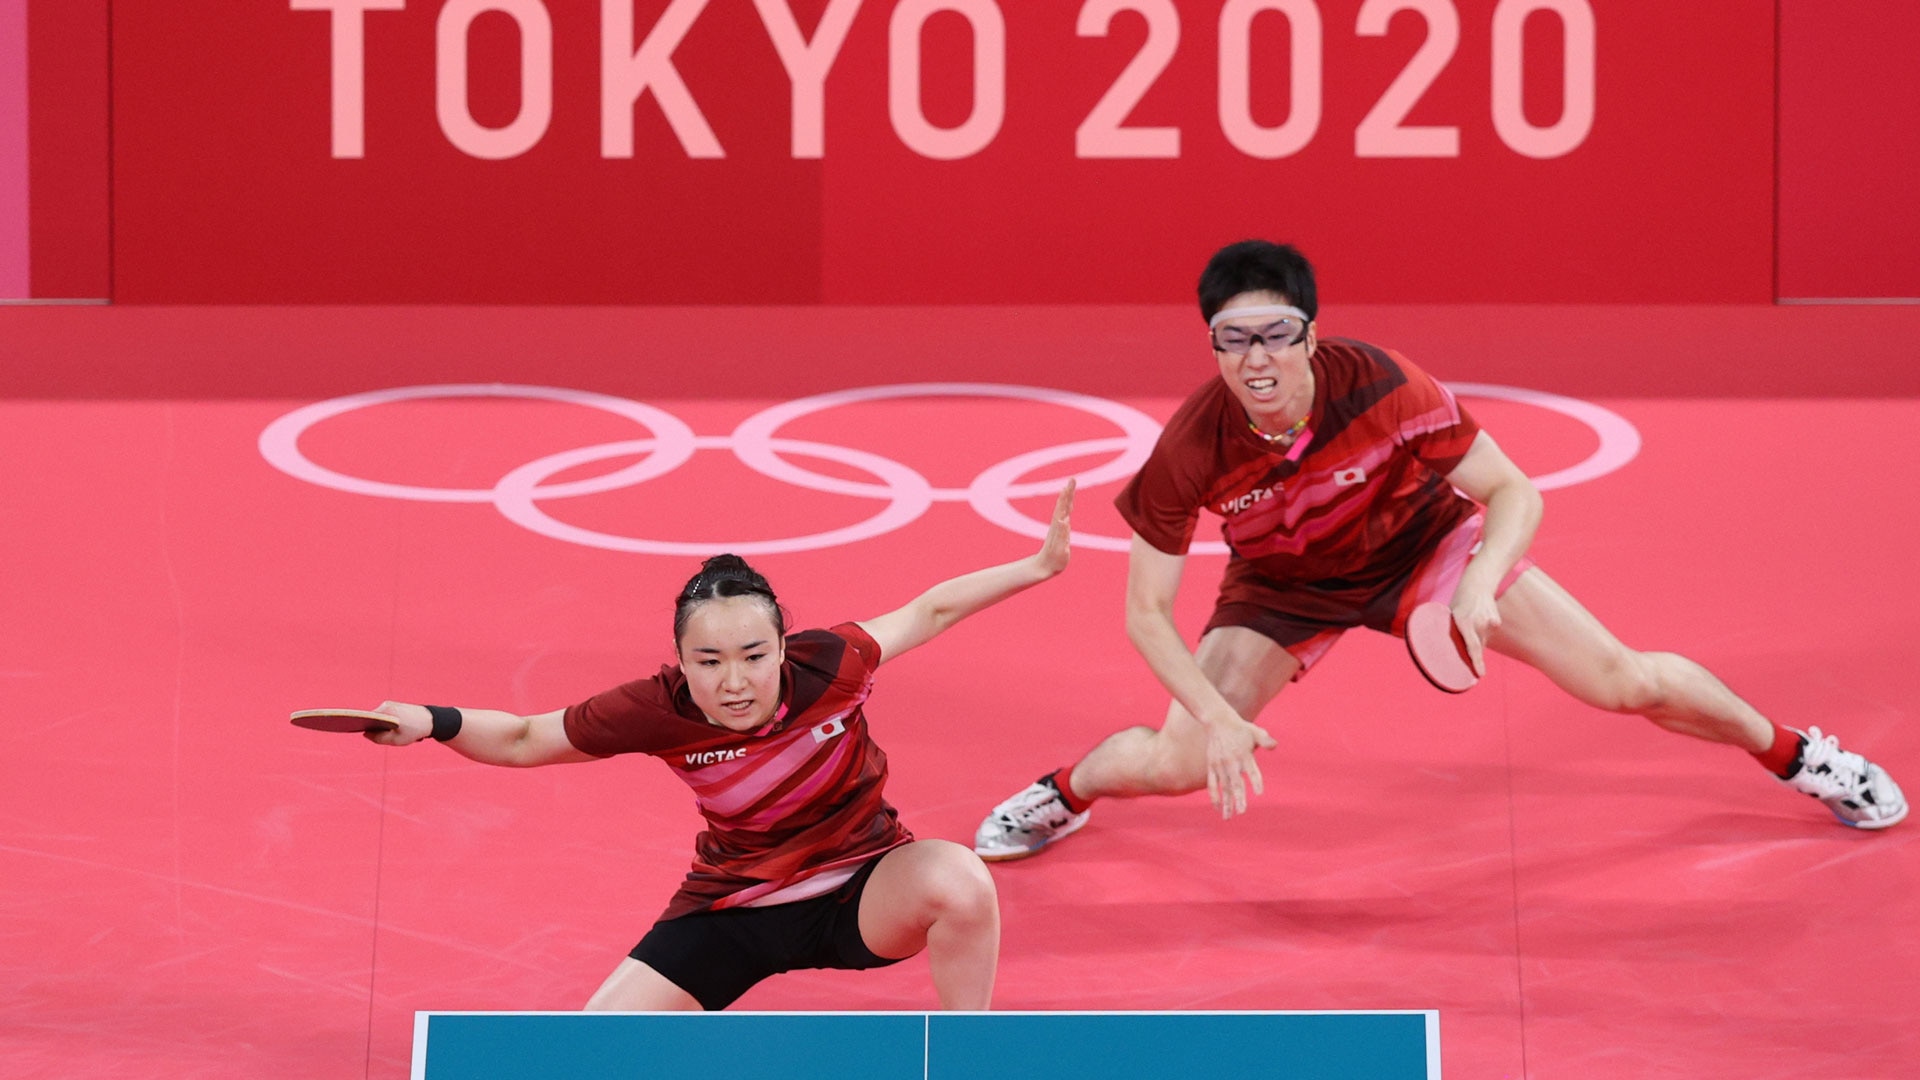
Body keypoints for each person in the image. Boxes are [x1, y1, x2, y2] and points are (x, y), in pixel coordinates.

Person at [973, 240, 1905, 861]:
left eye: (1276, 335)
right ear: (1211, 345)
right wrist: (1214, 715)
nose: (1256, 359)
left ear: (1310, 333)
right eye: (1232, 340)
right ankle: (1064, 792)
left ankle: (1798, 754)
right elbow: (1144, 614)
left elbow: (1513, 491)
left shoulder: (1379, 382)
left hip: (1424, 543)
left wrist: (1482, 583)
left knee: (1625, 681)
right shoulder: (1191, 448)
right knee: (1179, 759)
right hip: (1282, 589)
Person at [365, 483, 1074, 1011]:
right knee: (594, 1051)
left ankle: (963, 1063)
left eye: (753, 655)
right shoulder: (656, 709)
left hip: (864, 889)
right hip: (734, 908)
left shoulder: (834, 663)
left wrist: (1037, 567)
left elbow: (931, 610)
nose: (733, 681)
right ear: (679, 658)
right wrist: (431, 720)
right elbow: (525, 738)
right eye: (708, 661)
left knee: (961, 881)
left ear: (781, 647)